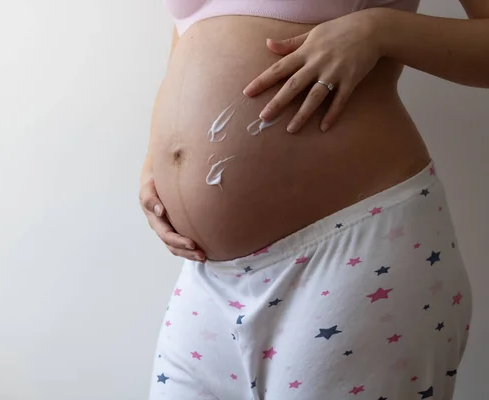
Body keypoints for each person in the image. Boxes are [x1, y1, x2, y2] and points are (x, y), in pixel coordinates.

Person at [140, 1, 485, 398]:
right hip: (209, 277)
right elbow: (190, 34)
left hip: (354, 252)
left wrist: (380, 30)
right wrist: (157, 157)